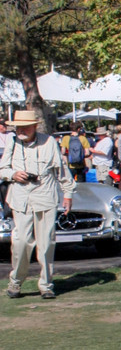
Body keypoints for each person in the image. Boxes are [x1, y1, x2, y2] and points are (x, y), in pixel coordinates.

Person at [1, 109, 75, 299]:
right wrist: (12, 174)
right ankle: (16, 282)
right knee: (21, 241)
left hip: (45, 195)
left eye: (25, 127)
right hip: (21, 196)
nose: (21, 130)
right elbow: (3, 168)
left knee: (46, 243)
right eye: (18, 127)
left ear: (34, 126)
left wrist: (67, 194)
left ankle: (46, 285)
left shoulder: (49, 142)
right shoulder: (12, 142)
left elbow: (61, 169)